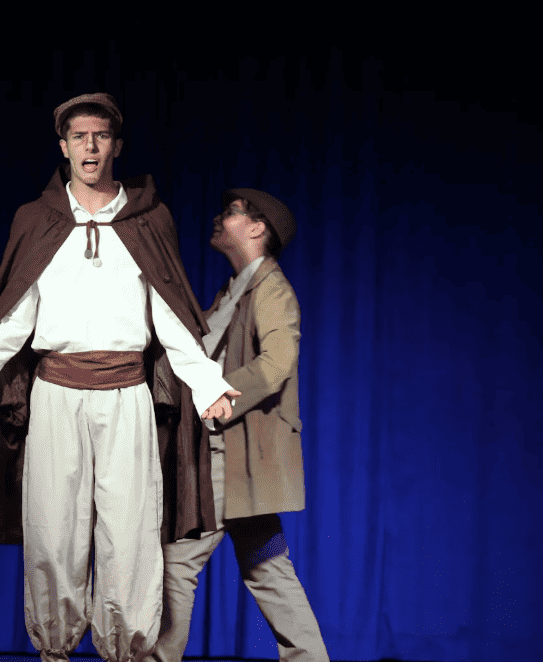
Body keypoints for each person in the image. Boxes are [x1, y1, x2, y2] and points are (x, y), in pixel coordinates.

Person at [0, 93, 239, 662]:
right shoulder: (37, 220)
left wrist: (208, 384)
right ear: (64, 147)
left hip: (127, 396)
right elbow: (15, 317)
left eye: (100, 136)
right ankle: (54, 650)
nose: (90, 147)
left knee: (130, 535)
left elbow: (170, 316)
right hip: (56, 396)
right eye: (79, 137)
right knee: (54, 535)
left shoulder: (148, 219)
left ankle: (125, 652)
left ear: (116, 146)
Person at [150, 190, 330, 662]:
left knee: (177, 562)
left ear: (256, 228)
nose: (218, 217)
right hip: (232, 455)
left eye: (231, 212)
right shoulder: (234, 291)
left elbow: (276, 364)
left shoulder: (271, 289)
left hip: (233, 455)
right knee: (268, 567)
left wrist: (219, 398)